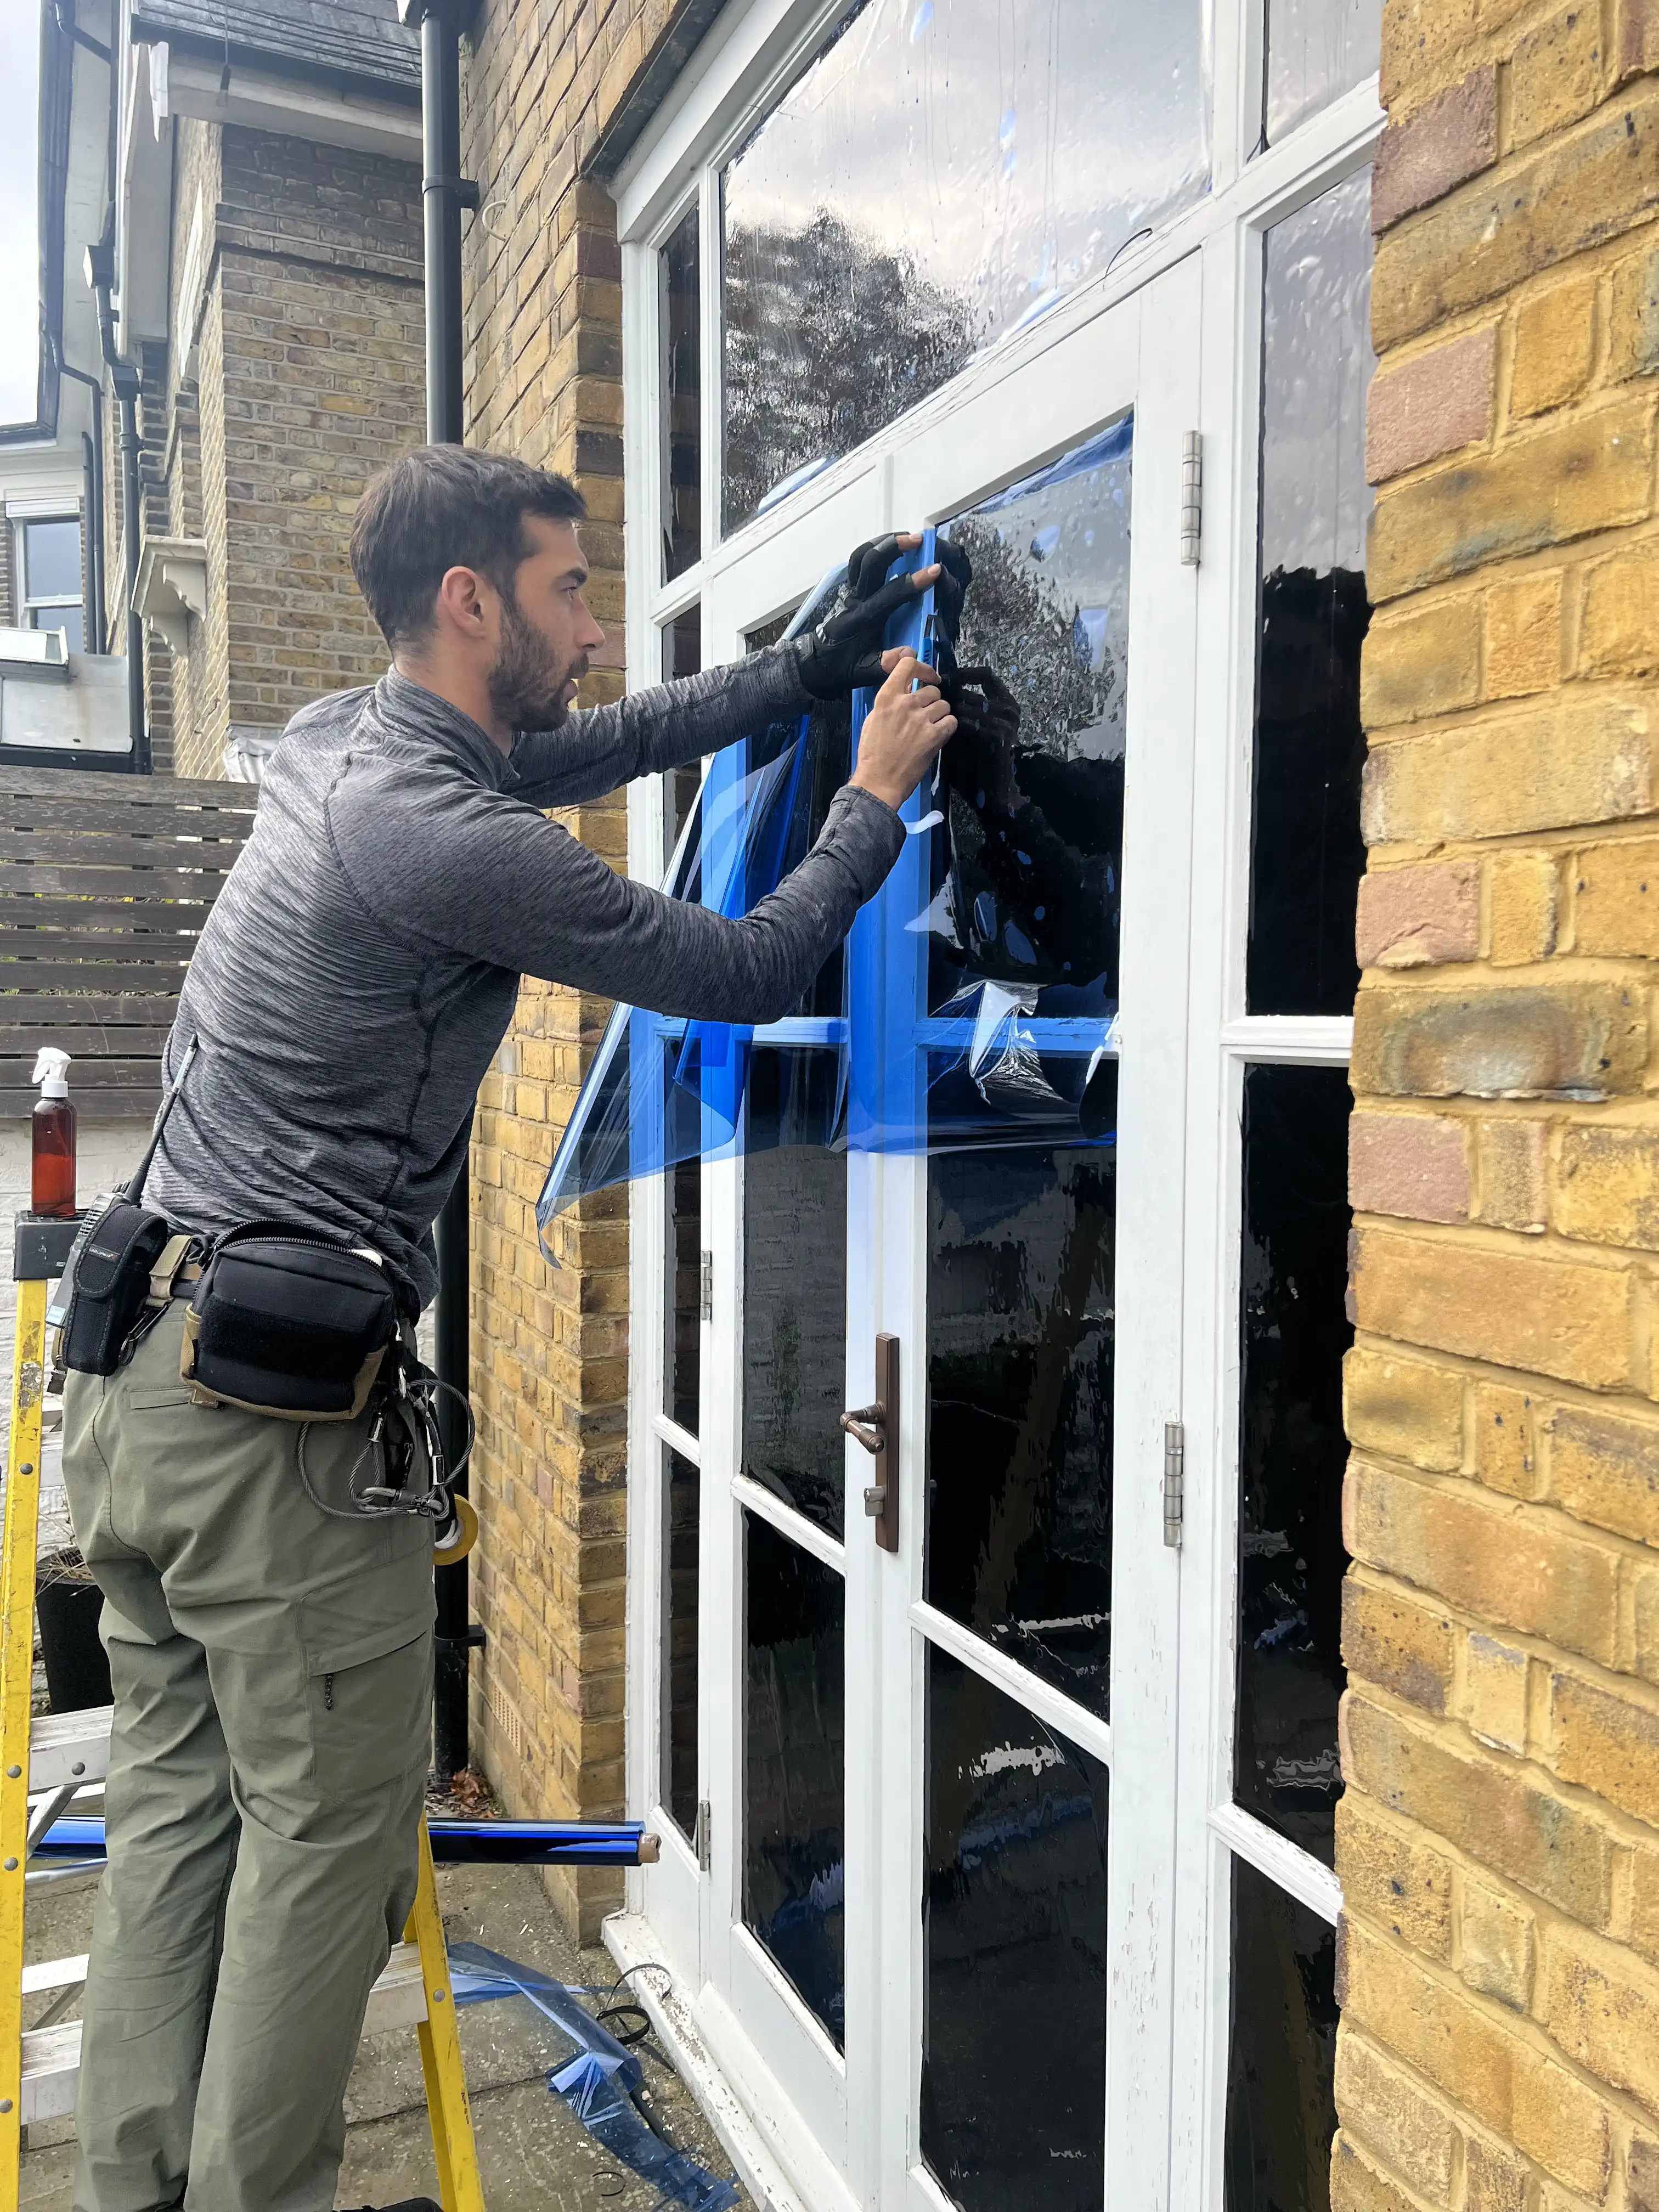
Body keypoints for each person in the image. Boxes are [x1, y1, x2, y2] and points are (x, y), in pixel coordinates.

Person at [60, 445, 960, 2212]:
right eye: (564, 592)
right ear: (470, 601)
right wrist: (871, 786)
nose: (591, 624)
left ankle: (136, 2192)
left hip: (135, 1394)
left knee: (178, 1818)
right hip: (265, 1441)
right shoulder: (438, 838)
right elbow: (746, 967)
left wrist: (793, 672)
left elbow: (584, 744)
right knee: (324, 1850)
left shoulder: (345, 737)